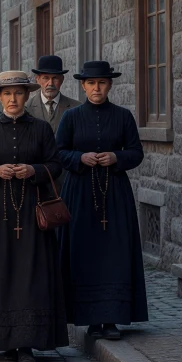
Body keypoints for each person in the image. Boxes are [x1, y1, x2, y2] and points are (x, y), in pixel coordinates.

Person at [0, 71, 66, 362]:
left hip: (32, 208)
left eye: (18, 93)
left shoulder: (40, 129)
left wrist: (33, 170)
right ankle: (2, 340)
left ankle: (27, 342)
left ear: (26, 96)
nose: (12, 99)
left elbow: (55, 164)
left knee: (30, 272)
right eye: (7, 94)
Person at [58, 61, 147, 341]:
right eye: (91, 84)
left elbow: (136, 152)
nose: (97, 88)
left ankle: (112, 319)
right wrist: (79, 158)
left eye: (102, 83)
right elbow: (58, 152)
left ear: (109, 85)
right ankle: (88, 319)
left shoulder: (123, 116)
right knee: (83, 251)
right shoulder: (71, 117)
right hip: (80, 193)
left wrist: (116, 158)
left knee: (115, 252)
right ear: (83, 86)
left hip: (114, 194)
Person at [27, 55, 78, 132]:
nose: (50, 83)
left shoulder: (75, 108)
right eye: (46, 78)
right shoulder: (27, 108)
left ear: (62, 79)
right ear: (37, 79)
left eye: (55, 78)